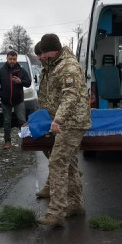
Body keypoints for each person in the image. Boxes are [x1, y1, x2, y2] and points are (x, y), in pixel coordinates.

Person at [34, 33, 91, 227]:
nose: (43, 56)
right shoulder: (56, 64)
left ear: (53, 49)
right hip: (67, 121)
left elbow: (70, 96)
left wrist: (57, 119)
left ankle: (56, 212)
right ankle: (75, 204)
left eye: (44, 52)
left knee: (57, 162)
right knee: (70, 164)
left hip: (72, 122)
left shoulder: (68, 66)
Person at [0, 50, 31, 149]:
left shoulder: (21, 71)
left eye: (14, 59)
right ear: (7, 58)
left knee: (22, 121)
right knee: (7, 121)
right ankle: (7, 141)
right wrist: (0, 94)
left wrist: (21, 81)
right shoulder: (1, 71)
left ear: (16, 59)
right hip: (6, 101)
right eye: (10, 59)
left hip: (18, 100)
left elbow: (28, 83)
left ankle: (26, 141)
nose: (12, 61)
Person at [33, 42, 53, 199]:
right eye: (38, 55)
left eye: (41, 54)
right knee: (45, 148)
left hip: (57, 118)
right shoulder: (45, 70)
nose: (40, 58)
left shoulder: (57, 69)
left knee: (54, 154)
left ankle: (51, 185)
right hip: (46, 115)